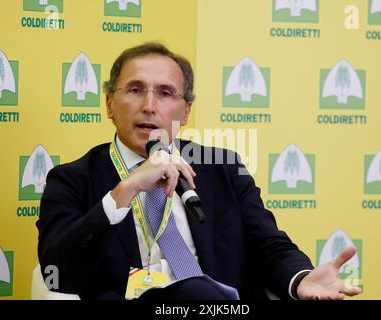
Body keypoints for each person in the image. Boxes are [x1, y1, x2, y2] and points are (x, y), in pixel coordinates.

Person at [37, 42, 362, 300]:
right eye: (135, 89)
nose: (150, 105)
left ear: (186, 110)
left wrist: (300, 279)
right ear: (109, 103)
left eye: (165, 93)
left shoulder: (223, 168)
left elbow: (267, 245)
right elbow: (58, 271)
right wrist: (125, 191)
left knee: (200, 292)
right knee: (195, 291)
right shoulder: (71, 180)